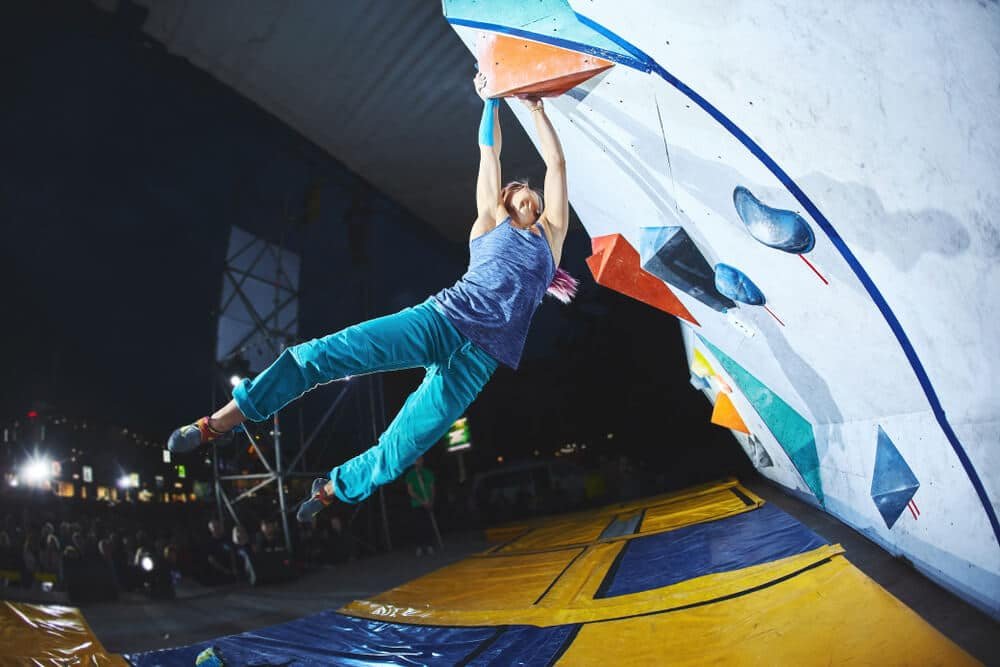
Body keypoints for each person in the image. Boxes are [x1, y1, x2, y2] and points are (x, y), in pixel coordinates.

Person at [167, 70, 570, 525]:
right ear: (505, 201)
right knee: (321, 356)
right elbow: (488, 151)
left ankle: (336, 486)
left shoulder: (552, 238)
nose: (528, 195)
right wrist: (494, 101)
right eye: (518, 194)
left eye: (532, 196)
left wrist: (538, 111)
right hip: (439, 320)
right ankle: (216, 424)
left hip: (478, 361)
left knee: (403, 449)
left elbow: (555, 166)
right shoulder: (488, 223)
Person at [404, 457, 437, 556]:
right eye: (417, 460)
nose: (419, 462)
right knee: (418, 526)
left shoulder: (428, 473)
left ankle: (429, 545)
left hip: (428, 502)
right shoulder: (410, 475)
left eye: (420, 460)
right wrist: (422, 501)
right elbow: (410, 491)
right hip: (417, 504)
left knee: (428, 524)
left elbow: (432, 488)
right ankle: (420, 546)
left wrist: (430, 501)